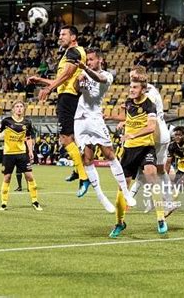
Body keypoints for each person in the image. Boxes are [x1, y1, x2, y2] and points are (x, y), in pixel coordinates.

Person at [27, 25, 90, 196]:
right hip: (67, 96)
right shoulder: (69, 54)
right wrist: (40, 80)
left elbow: (67, 76)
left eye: (63, 34)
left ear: (74, 37)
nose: (60, 37)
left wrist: (48, 89)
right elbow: (62, 80)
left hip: (68, 98)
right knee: (70, 138)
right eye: (59, 34)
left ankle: (84, 177)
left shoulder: (74, 52)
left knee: (65, 138)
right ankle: (79, 171)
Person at [73, 48, 136, 212]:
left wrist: (84, 70)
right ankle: (101, 196)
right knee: (86, 158)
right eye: (88, 61)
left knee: (109, 154)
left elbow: (99, 78)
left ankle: (126, 193)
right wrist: (78, 78)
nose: (89, 63)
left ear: (100, 60)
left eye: (92, 60)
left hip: (95, 118)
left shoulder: (107, 76)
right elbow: (76, 89)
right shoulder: (85, 73)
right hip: (80, 120)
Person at [108, 77, 168, 238]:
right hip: (129, 151)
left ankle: (161, 218)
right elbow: (128, 118)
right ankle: (119, 223)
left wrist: (132, 134)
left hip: (145, 148)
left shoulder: (150, 105)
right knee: (123, 187)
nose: (131, 89)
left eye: (135, 87)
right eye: (130, 87)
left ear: (143, 89)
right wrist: (111, 118)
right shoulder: (128, 102)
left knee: (151, 174)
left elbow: (150, 127)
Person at [127, 66, 172, 216]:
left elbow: (149, 120)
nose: (130, 79)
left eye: (133, 76)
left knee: (151, 172)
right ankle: (156, 201)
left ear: (139, 77)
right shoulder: (151, 89)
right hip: (162, 132)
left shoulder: (148, 95)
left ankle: (167, 202)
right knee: (154, 171)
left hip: (156, 135)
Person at [0, 101, 42, 211]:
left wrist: (31, 152)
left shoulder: (27, 123)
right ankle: (4, 203)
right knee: (7, 177)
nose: (19, 108)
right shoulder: (6, 121)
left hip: (22, 153)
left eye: (21, 107)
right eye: (17, 107)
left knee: (29, 176)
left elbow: (28, 138)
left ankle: (35, 201)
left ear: (24, 109)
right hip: (9, 154)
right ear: (13, 109)